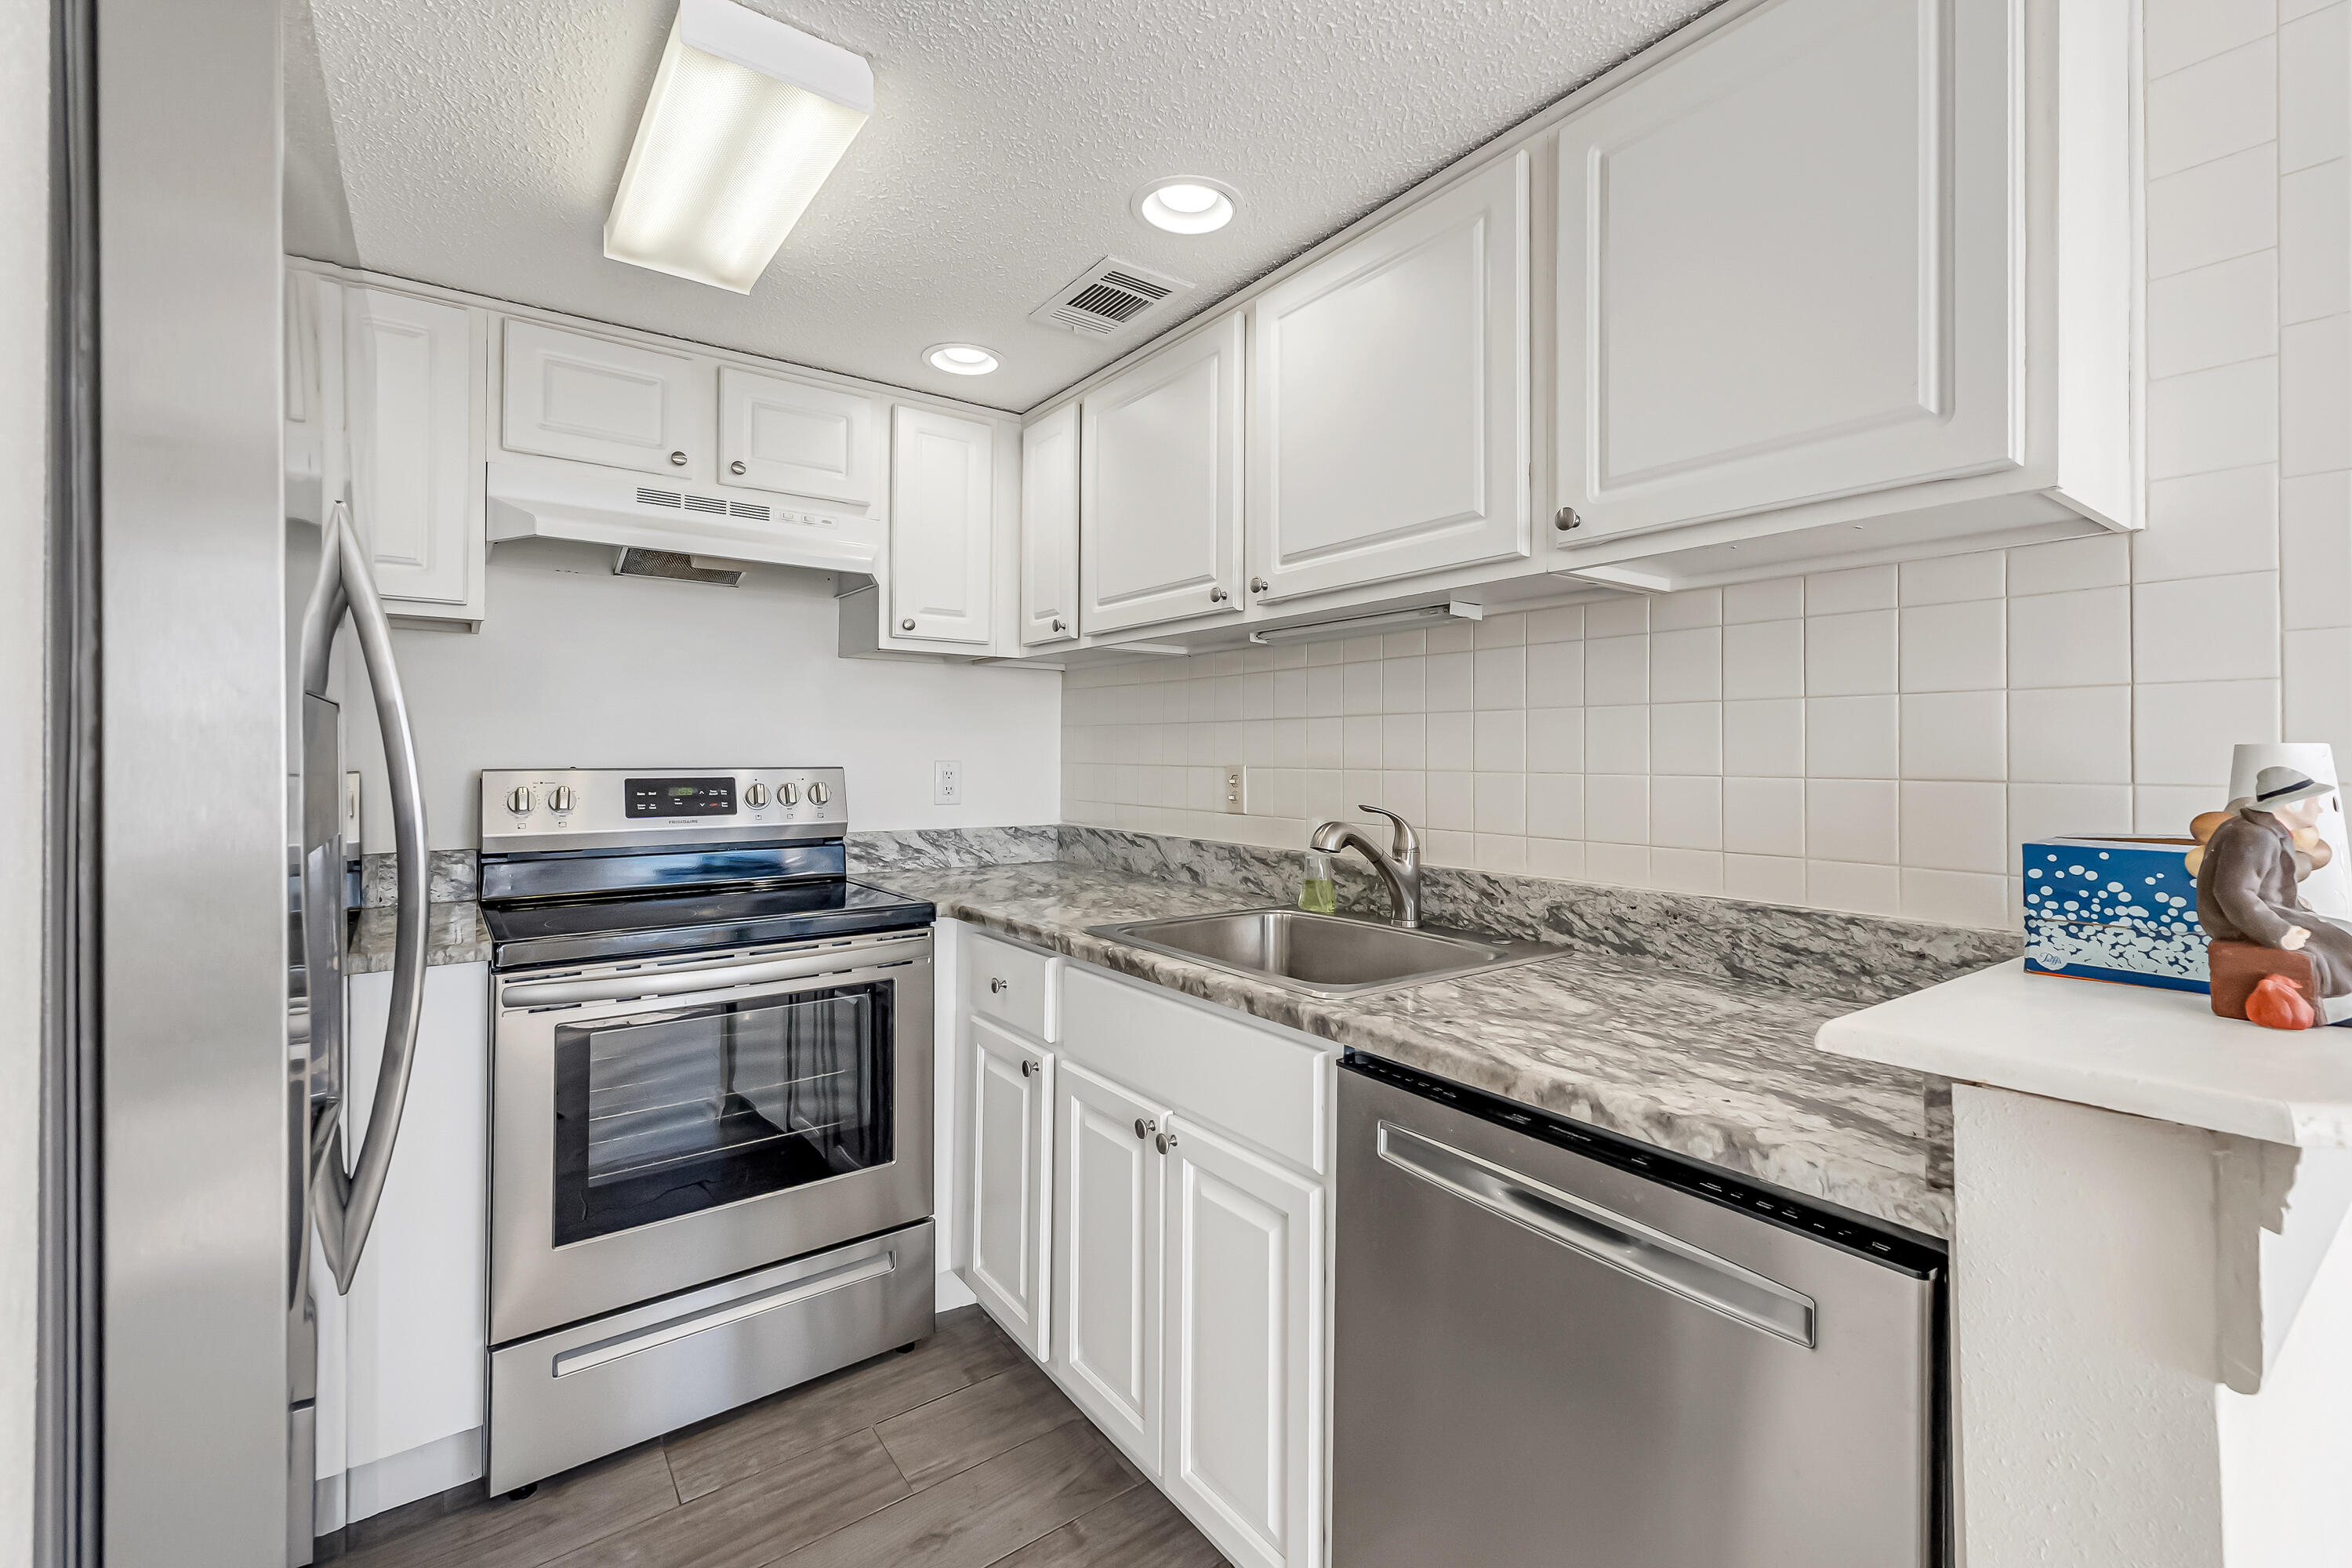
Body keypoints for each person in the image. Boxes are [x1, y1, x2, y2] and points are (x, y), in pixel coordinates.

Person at [2195, 766, 2352, 1002]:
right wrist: (2279, 931)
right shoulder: (2255, 835)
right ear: (2291, 804)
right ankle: (2331, 1003)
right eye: (2313, 802)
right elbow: (2233, 892)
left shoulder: (2265, 830)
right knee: (2332, 946)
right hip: (2237, 923)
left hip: (2264, 912)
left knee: (2342, 931)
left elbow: (2270, 887)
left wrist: (2302, 911)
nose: (2319, 808)